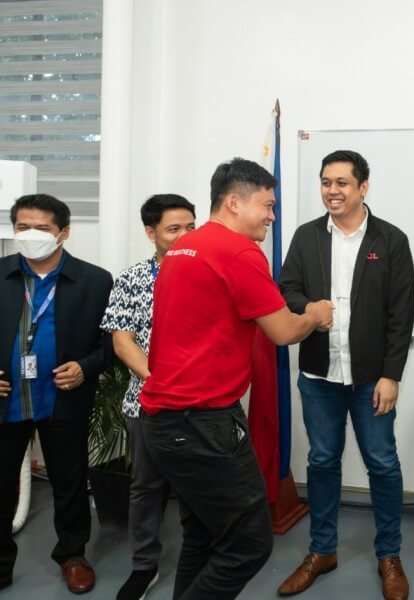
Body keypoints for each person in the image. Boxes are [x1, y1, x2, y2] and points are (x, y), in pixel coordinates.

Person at [138, 158, 333, 599]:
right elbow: (282, 331)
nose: (271, 215)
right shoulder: (240, 252)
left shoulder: (183, 249)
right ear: (233, 202)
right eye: (266, 205)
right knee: (248, 545)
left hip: (164, 422)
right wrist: (315, 314)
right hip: (202, 424)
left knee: (204, 537)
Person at [277, 150, 414, 600]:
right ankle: (322, 551)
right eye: (325, 182)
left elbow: (400, 315)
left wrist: (391, 375)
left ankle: (389, 554)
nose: (331, 191)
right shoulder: (306, 236)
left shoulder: (390, 240)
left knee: (382, 464)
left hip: (371, 379)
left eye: (341, 183)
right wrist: (310, 310)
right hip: (319, 376)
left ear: (363, 188)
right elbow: (287, 289)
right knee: (320, 462)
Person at [0, 194, 113, 594]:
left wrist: (85, 366)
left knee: (69, 482)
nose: (30, 235)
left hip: (62, 399)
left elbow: (112, 344)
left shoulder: (96, 281)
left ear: (63, 232)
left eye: (42, 228)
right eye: (22, 227)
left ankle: (72, 555)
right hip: (6, 400)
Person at [100, 194, 196, 599]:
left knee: (198, 487)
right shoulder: (133, 279)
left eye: (191, 227)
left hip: (201, 403)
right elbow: (122, 342)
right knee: (146, 487)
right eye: (174, 229)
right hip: (148, 400)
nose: (185, 236)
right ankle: (144, 565)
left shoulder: (208, 274)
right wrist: (158, 381)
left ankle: (199, 560)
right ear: (151, 232)